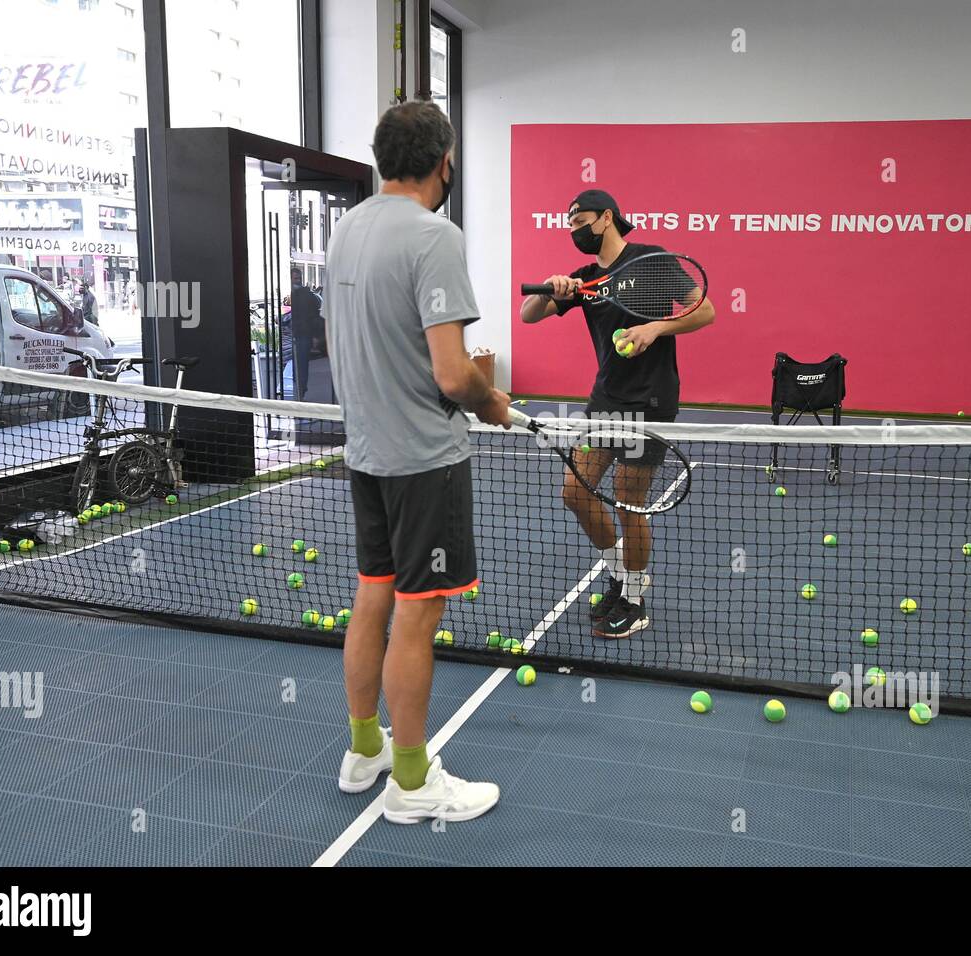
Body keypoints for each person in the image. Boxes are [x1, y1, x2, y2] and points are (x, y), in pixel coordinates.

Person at [324, 99, 509, 823]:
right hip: (423, 460)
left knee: (372, 594)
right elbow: (452, 374)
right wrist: (491, 402)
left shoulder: (347, 229)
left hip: (365, 454)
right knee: (416, 614)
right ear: (444, 161)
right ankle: (410, 783)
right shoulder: (436, 236)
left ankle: (363, 747)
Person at [519, 190, 715, 638]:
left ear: (606, 218)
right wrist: (552, 288)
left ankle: (635, 598)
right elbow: (530, 315)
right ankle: (621, 573)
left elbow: (704, 310)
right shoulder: (585, 280)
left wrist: (655, 327)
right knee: (575, 491)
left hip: (650, 400)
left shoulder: (653, 261)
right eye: (568, 224)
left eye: (580, 220)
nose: (574, 230)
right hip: (605, 400)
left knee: (629, 502)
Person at [289, 267, 322, 399]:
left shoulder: (306, 295)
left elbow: (314, 316)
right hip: (294, 334)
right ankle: (297, 390)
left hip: (303, 334)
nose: (297, 281)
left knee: (301, 365)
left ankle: (300, 391)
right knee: (294, 365)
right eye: (295, 278)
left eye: (299, 278)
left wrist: (314, 335)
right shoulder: (290, 295)